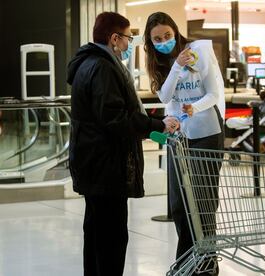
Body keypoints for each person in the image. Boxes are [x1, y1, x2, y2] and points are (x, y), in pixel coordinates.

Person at [67, 12, 179, 276]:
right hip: (106, 167)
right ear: (114, 38)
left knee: (95, 234)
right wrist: (157, 125)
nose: (129, 44)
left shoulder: (87, 64)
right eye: (127, 38)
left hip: (92, 164)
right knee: (111, 239)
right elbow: (115, 119)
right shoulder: (104, 67)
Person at [144, 12, 225, 275]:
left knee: (203, 201)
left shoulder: (199, 51)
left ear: (176, 31)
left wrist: (194, 107)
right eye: (157, 39)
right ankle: (188, 259)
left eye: (168, 35)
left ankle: (205, 264)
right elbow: (165, 95)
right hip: (178, 136)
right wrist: (176, 66)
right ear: (150, 41)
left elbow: (213, 94)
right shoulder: (158, 62)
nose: (164, 41)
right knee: (179, 204)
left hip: (207, 132)